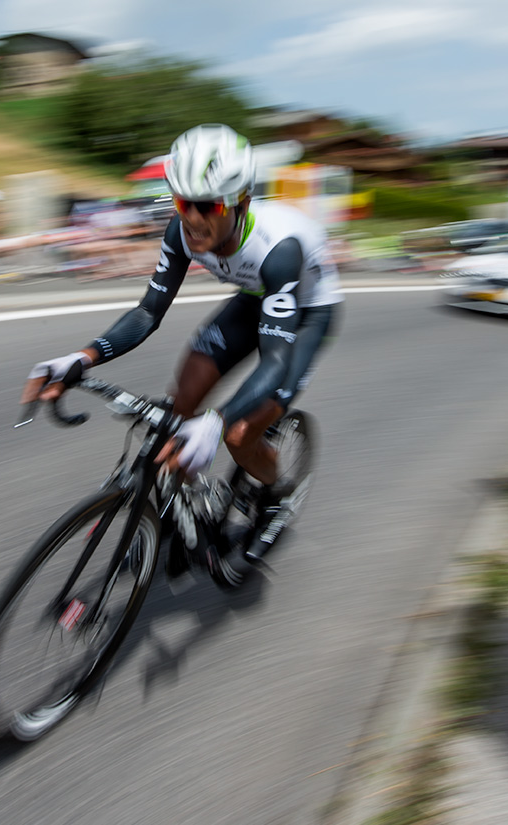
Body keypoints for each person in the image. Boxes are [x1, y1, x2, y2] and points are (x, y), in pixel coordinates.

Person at [21, 123, 343, 576]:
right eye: (181, 201)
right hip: (253, 300)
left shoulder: (279, 248)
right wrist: (83, 356)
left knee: (236, 435)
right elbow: (148, 312)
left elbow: (275, 359)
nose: (191, 217)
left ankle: (275, 496)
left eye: (206, 205)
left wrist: (217, 423)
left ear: (240, 202)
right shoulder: (181, 231)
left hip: (307, 314)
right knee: (177, 410)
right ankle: (178, 516)